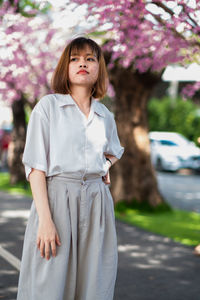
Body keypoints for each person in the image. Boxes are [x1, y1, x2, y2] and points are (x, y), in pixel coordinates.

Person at [16, 36, 124, 300]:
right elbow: (36, 167)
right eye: (74, 58)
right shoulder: (48, 108)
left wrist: (103, 166)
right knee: (50, 283)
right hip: (57, 199)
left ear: (99, 68)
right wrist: (46, 221)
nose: (82, 63)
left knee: (94, 285)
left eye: (90, 58)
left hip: (98, 202)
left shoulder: (104, 115)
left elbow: (114, 151)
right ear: (65, 66)